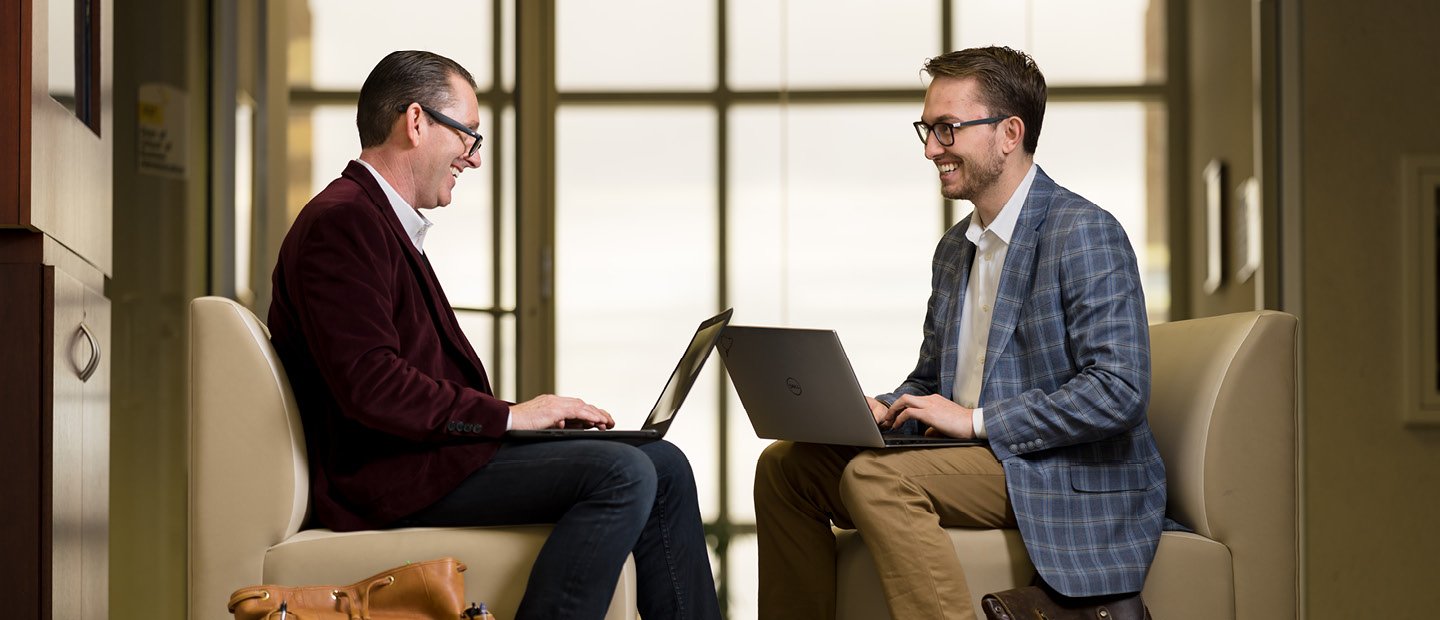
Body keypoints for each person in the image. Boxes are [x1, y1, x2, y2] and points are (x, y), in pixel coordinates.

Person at [267, 50, 721, 620]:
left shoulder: (378, 222)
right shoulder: (344, 221)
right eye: (468, 136)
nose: (474, 159)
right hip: (387, 476)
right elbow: (372, 385)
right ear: (415, 122)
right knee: (621, 471)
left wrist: (520, 420)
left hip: (422, 456)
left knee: (664, 462)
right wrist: (511, 417)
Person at [753, 46, 1166, 619]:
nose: (930, 149)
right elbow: (931, 378)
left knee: (877, 478)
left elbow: (1118, 390)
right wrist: (878, 407)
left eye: (947, 129)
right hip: (968, 455)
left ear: (1009, 133)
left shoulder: (1084, 232)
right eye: (927, 129)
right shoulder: (954, 250)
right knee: (785, 467)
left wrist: (975, 421)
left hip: (1058, 469)